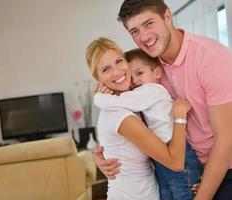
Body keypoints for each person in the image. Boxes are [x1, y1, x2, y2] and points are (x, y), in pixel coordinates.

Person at [94, 0, 232, 199]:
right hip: (174, 169)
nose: (144, 37)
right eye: (134, 31)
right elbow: (113, 80)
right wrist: (102, 156)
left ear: (168, 16)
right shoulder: (145, 64)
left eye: (149, 23)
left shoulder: (212, 58)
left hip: (224, 169)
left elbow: (226, 141)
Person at [86, 37, 191, 200]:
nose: (117, 72)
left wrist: (99, 157)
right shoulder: (121, 115)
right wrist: (180, 116)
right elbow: (176, 163)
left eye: (119, 61)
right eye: (106, 69)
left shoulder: (133, 104)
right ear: (99, 79)